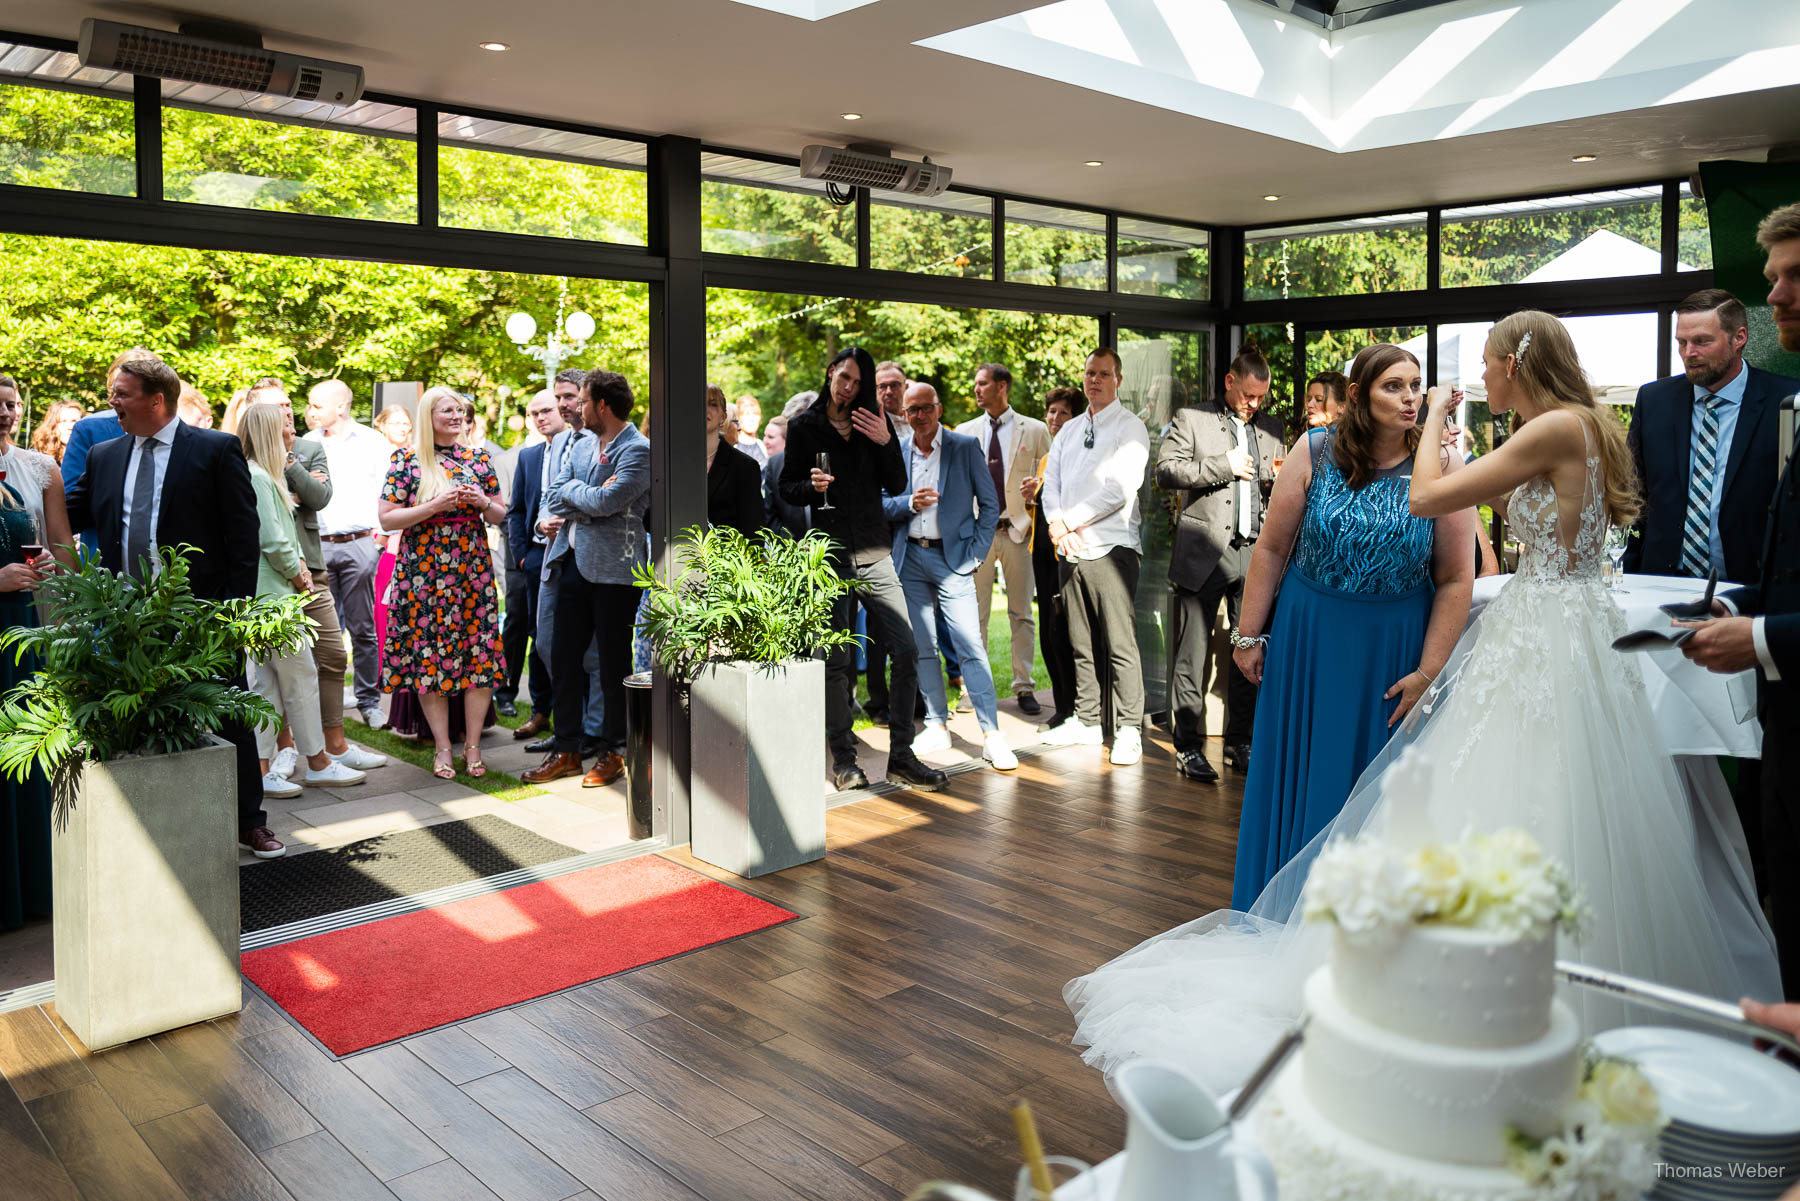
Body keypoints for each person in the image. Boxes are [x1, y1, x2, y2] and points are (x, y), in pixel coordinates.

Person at [1067, 311, 1780, 1093]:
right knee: (1543, 801)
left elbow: (1430, 503)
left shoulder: (1552, 429)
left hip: (1547, 633)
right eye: (1409, 385)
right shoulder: (1570, 427)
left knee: (1524, 800)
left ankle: (1514, 1003)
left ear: (1517, 361)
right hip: (1557, 627)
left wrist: (1442, 417)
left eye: (1486, 363)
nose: (1475, 377)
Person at [1229, 344, 1475, 907]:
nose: (1411, 397)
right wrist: (1248, 634)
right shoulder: (1315, 451)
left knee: (1371, 792)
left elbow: (1458, 578)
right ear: (1360, 395)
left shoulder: (1443, 466)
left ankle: (1361, 930)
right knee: (1301, 781)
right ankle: (1282, 912)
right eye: (1394, 386)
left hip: (1392, 650)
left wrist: (1429, 671)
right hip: (1309, 640)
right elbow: (1270, 548)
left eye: (1416, 385)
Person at [64, 351, 280, 857]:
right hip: (128, 614)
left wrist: (232, 615)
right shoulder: (104, 455)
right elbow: (70, 511)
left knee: (227, 709)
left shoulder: (214, 449)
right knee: (138, 708)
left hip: (203, 612)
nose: (112, 402)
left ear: (155, 399)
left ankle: (249, 820)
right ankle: (151, 817)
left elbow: (243, 539)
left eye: (122, 394)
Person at [1681, 201, 1800, 999]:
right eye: (1773, 279)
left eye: (1794, 277)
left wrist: (1762, 637)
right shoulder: (1658, 406)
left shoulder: (1780, 398)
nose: (1778, 297)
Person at [778, 348, 947, 793]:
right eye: (844, 377)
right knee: (837, 659)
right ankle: (844, 761)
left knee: (906, 648)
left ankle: (902, 757)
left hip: (874, 552)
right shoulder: (804, 426)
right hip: (829, 555)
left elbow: (896, 484)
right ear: (831, 372)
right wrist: (809, 487)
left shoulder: (876, 423)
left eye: (857, 382)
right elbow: (787, 488)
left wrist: (885, 441)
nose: (848, 388)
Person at [1156, 347, 1285, 782]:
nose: (1255, 404)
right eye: (1249, 395)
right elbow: (1165, 472)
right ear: (1230, 382)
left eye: (1261, 398)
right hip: (1204, 555)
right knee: (1192, 655)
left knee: (1246, 649)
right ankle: (1188, 747)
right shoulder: (1192, 418)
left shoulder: (1271, 428)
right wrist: (1221, 466)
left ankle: (1239, 742)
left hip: (1254, 556)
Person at [523, 370, 650, 788]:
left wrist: (580, 496)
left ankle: (614, 752)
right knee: (562, 658)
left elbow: (609, 500)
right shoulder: (579, 444)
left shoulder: (638, 449)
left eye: (583, 401)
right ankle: (567, 751)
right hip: (570, 562)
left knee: (614, 665)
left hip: (616, 572)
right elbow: (555, 494)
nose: (575, 408)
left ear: (602, 406)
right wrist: (585, 495)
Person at [256, 389, 386, 792]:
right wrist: (288, 496)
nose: (288, 414)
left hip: (311, 566)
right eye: (276, 408)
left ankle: (334, 746)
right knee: (275, 671)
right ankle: (285, 752)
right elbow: (267, 512)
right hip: (272, 576)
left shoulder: (309, 449)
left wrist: (291, 464)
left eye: (288, 407)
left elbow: (318, 497)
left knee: (330, 654)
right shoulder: (246, 458)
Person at [1626, 287, 1799, 586]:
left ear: (1739, 338)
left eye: (1702, 341)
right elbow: (1634, 496)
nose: (1689, 353)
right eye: (1682, 342)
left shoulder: (1787, 401)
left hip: (1750, 588)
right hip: (1659, 585)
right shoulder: (1653, 400)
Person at [377, 386, 507, 780]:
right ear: (427, 416)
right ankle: (443, 748)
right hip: (424, 574)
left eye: (459, 410)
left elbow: (501, 514)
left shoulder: (478, 458)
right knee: (430, 659)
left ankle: (472, 746)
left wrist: (481, 503)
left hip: (472, 571)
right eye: (446, 410)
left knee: (479, 657)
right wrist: (435, 505)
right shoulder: (407, 460)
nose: (455, 416)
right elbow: (386, 519)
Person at [886, 382, 1012, 770]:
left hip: (953, 559)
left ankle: (992, 735)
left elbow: (990, 505)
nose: (919, 416)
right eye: (912, 411)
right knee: (922, 646)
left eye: (925, 408)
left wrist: (975, 554)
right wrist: (908, 503)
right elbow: (881, 504)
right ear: (905, 415)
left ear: (938, 409)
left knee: (969, 645)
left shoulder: (962, 447)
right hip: (910, 560)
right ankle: (937, 724)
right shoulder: (897, 452)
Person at [1040, 348, 1153, 765]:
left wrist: (1067, 522)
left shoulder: (1131, 428)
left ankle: (1128, 729)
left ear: (1118, 380)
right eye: (1090, 373)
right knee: (1079, 640)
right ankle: (1087, 721)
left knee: (1120, 643)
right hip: (1070, 548)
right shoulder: (1067, 430)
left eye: (1104, 374)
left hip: (1112, 547)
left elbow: (1120, 489)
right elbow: (1050, 482)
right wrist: (1056, 525)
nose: (1095, 380)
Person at [0, 375, 75, 929]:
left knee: (30, 740)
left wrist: (54, 568)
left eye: (11, 404)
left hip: (27, 620)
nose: (5, 412)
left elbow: (62, 543)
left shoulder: (40, 468)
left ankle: (36, 886)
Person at [955, 363, 1052, 717]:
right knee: (973, 615)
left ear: (1002, 386)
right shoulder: (964, 432)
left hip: (1018, 532)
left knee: (1021, 614)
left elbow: (1050, 477)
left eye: (982, 384)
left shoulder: (1037, 430)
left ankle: (1024, 686)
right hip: (978, 534)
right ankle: (974, 690)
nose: (976, 389)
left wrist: (1036, 493)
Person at [301, 379, 393, 729]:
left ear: (340, 407)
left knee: (363, 627)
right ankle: (326, 706)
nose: (310, 411)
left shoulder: (372, 442)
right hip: (316, 546)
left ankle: (370, 703)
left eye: (316, 405)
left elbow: (392, 489)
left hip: (360, 544)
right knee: (321, 631)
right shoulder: (306, 443)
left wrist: (382, 538)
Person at [502, 390, 565, 738]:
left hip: (568, 554)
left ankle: (573, 712)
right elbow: (516, 512)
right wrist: (524, 555)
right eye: (534, 413)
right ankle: (541, 710)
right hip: (536, 555)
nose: (540, 418)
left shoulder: (577, 451)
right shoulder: (528, 457)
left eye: (547, 411)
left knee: (563, 636)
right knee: (535, 635)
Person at [1022, 386, 1084, 730]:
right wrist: (1031, 499)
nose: (1055, 419)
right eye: (1051, 412)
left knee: (1064, 631)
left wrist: (1041, 492)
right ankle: (1061, 706)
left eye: (1062, 412)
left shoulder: (1078, 451)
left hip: (1066, 554)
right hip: (1041, 553)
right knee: (1048, 630)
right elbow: (1043, 507)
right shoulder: (1047, 457)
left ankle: (1074, 708)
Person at [705, 384, 766, 538]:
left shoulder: (745, 467)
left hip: (728, 559)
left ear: (723, 417)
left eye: (713, 404)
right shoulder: (675, 463)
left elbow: (754, 532)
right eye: (698, 402)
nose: (705, 409)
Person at [29, 400, 83, 464]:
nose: (70, 427)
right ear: (53, 426)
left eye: (74, 421)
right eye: (63, 421)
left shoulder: (90, 454)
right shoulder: (39, 456)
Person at [734, 394, 768, 466]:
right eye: (747, 414)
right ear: (738, 418)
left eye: (755, 414)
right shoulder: (733, 447)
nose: (751, 419)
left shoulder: (764, 446)